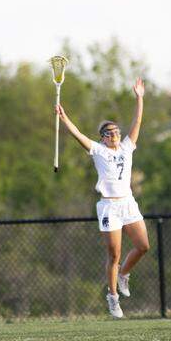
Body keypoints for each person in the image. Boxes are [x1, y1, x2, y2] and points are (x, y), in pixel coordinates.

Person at [57, 79, 149, 318]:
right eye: (108, 133)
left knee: (143, 246)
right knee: (114, 254)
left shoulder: (127, 147)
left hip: (128, 202)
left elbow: (137, 121)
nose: (114, 135)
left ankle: (123, 275)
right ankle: (113, 297)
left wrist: (139, 97)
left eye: (116, 132)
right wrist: (64, 118)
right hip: (109, 206)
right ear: (102, 138)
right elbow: (78, 135)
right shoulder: (98, 151)